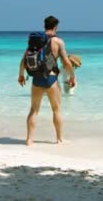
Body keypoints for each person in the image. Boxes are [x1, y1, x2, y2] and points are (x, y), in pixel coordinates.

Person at [18, 16, 76, 146]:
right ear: (56, 27)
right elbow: (66, 62)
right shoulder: (58, 42)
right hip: (51, 78)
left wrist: (21, 75)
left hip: (36, 78)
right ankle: (59, 139)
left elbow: (23, 59)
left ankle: (29, 139)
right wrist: (72, 76)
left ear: (45, 25)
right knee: (56, 109)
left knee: (34, 109)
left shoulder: (35, 39)